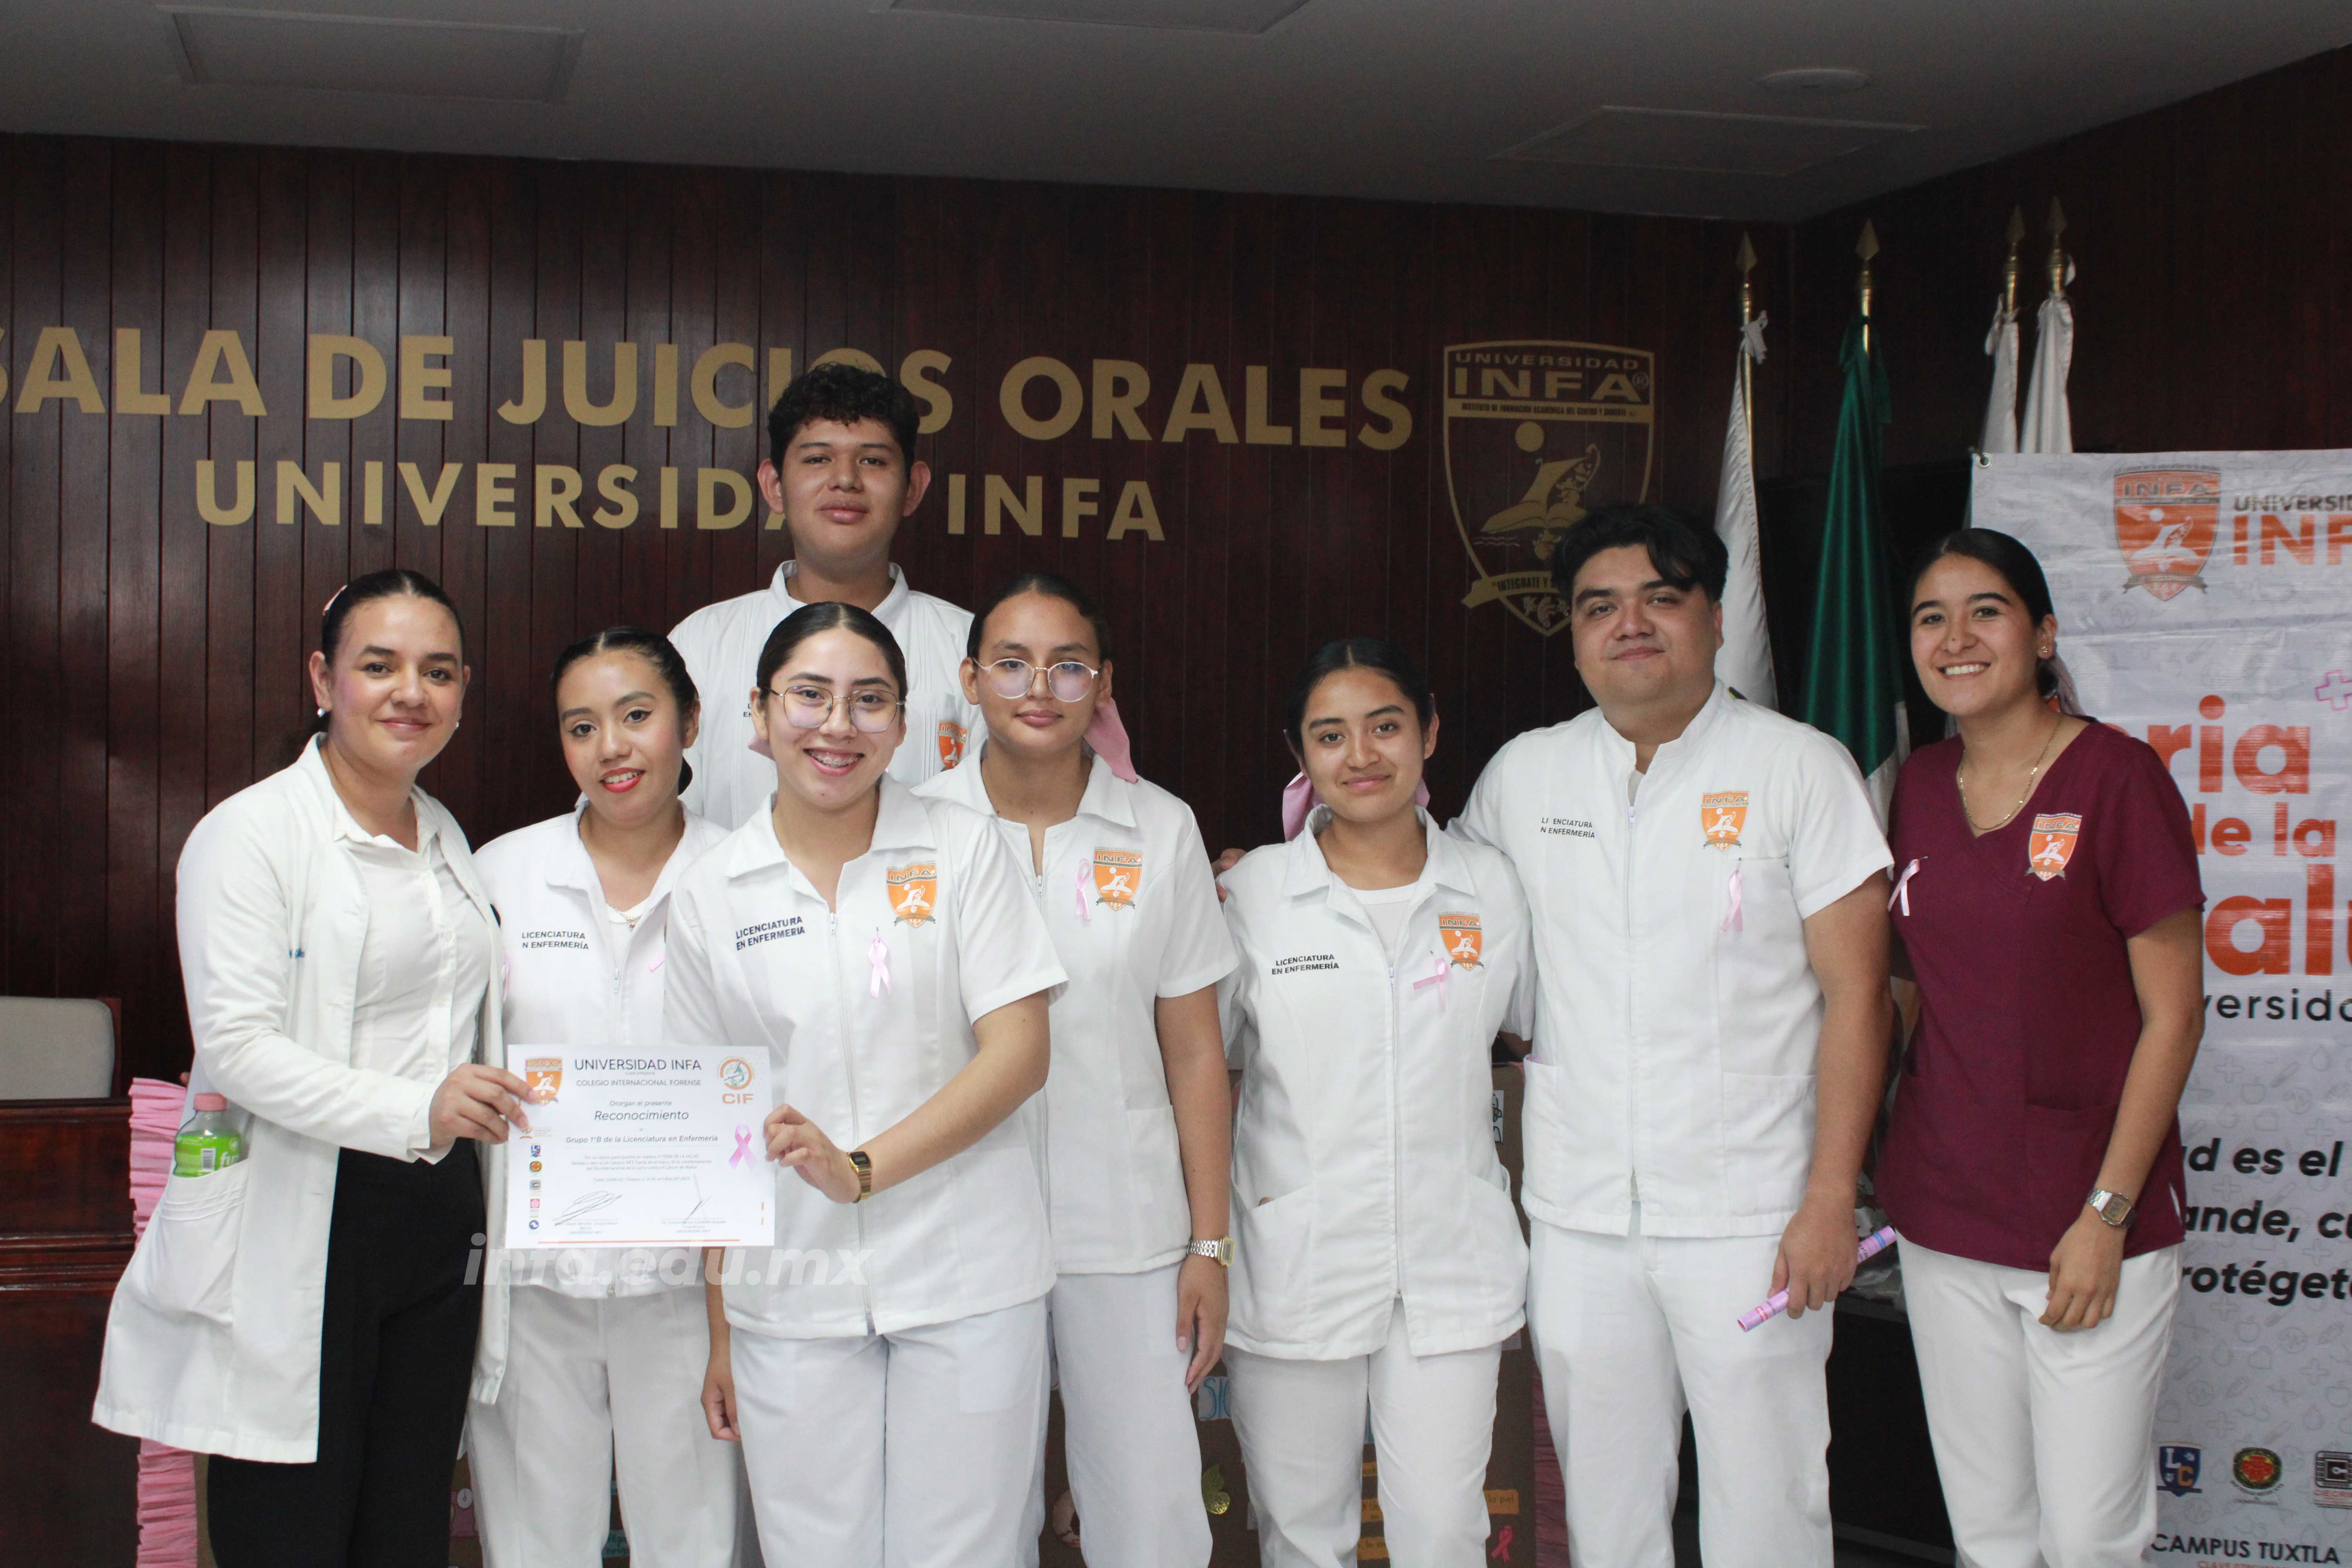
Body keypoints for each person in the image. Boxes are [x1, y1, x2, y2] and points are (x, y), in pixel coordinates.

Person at [1452, 504, 1894, 1568]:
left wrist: (1830, 1198)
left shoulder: (1799, 767)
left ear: (1715, 615)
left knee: (1768, 1506)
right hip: (1580, 1216)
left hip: (1755, 1214)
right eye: (1599, 606)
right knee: (1605, 1511)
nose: (1630, 624)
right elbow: (1442, 922)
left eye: (1661, 597)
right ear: (1573, 633)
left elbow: (1860, 998)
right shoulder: (1524, 776)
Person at [93, 569, 528, 1567]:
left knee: (407, 1519)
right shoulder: (248, 835)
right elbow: (238, 1048)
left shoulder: (445, 834)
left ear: (464, 691)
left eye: (438, 671)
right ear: (324, 680)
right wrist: (419, 1107)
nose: (411, 691)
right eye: (380, 665)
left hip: (436, 1217)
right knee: (291, 1521)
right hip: (309, 1214)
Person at [668, 601, 1065, 1567]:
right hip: (789, 1291)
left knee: (968, 1554)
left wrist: (861, 1167)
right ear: (758, 713)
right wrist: (721, 1328)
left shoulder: (963, 848)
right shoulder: (712, 889)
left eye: (870, 700)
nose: (838, 725)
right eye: (809, 695)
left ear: (903, 720)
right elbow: (711, 1130)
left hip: (967, 1275)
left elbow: (1019, 1051)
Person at [1878, 530, 2203, 1568]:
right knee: (1991, 1531)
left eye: (1987, 611)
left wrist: (2107, 1214)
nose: (1956, 639)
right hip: (1944, 1211)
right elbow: (1908, 986)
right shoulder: (1917, 784)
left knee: (2090, 1537)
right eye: (1931, 618)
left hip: (2085, 1214)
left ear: (2044, 633)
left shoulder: (2119, 778)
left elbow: (2175, 1016)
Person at [915, 572, 1236, 1568]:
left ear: (1104, 683)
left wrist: (1210, 1243)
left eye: (1067, 666)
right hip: (960, 1225)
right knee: (967, 1515)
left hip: (1127, 1227)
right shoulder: (910, 828)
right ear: (970, 678)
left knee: (1149, 1510)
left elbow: (1196, 1050)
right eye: (1011, 664)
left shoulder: (1160, 827)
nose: (1039, 688)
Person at [1217, 638, 1532, 1568]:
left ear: (1429, 732)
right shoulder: (1252, 895)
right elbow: (1204, 1061)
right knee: (1302, 1533)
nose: (1360, 755)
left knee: (1444, 1530)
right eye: (1330, 735)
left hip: (1450, 1262)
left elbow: (1540, 1032)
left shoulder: (1493, 886)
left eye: (1385, 726)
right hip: (1297, 1257)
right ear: (1299, 753)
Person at [465, 628, 738, 1566]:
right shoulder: (500, 875)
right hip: (534, 1282)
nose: (610, 748)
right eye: (581, 727)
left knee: (696, 1542)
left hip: (693, 1288)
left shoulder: (747, 875)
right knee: (534, 1545)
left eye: (636, 716)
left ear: (689, 722)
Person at [670, 362, 980, 829]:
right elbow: (632, 827)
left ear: (913, 488)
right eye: (818, 459)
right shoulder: (701, 645)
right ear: (775, 485)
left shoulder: (972, 649)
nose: (846, 480)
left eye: (873, 461)